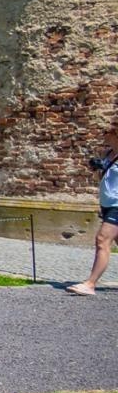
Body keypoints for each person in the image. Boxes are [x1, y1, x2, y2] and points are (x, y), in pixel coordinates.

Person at [68, 124, 118, 296]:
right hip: (107, 203)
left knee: (102, 239)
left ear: (115, 134)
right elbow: (100, 179)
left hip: (117, 206)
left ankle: (90, 284)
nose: (103, 135)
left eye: (106, 132)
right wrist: (97, 169)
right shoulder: (107, 154)